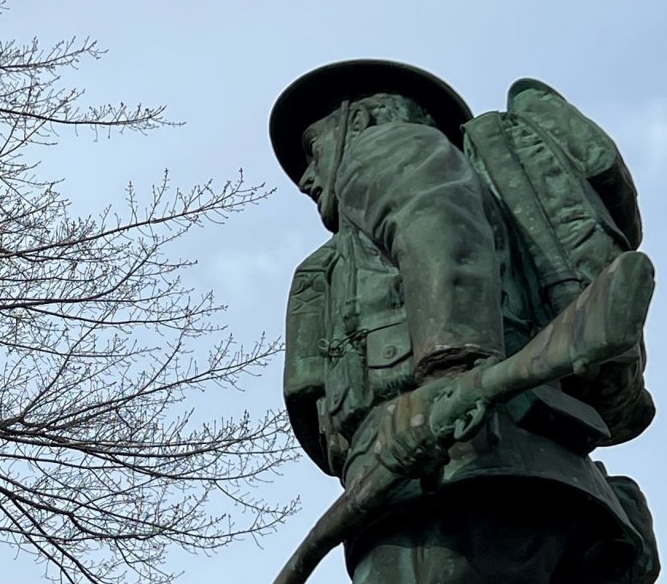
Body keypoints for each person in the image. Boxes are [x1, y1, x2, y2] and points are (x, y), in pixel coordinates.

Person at [270, 60, 656, 583]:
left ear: (359, 120)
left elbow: (437, 224)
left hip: (453, 484)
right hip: (523, 481)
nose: (306, 176)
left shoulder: (386, 146)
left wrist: (449, 369)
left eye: (313, 149)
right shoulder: (342, 256)